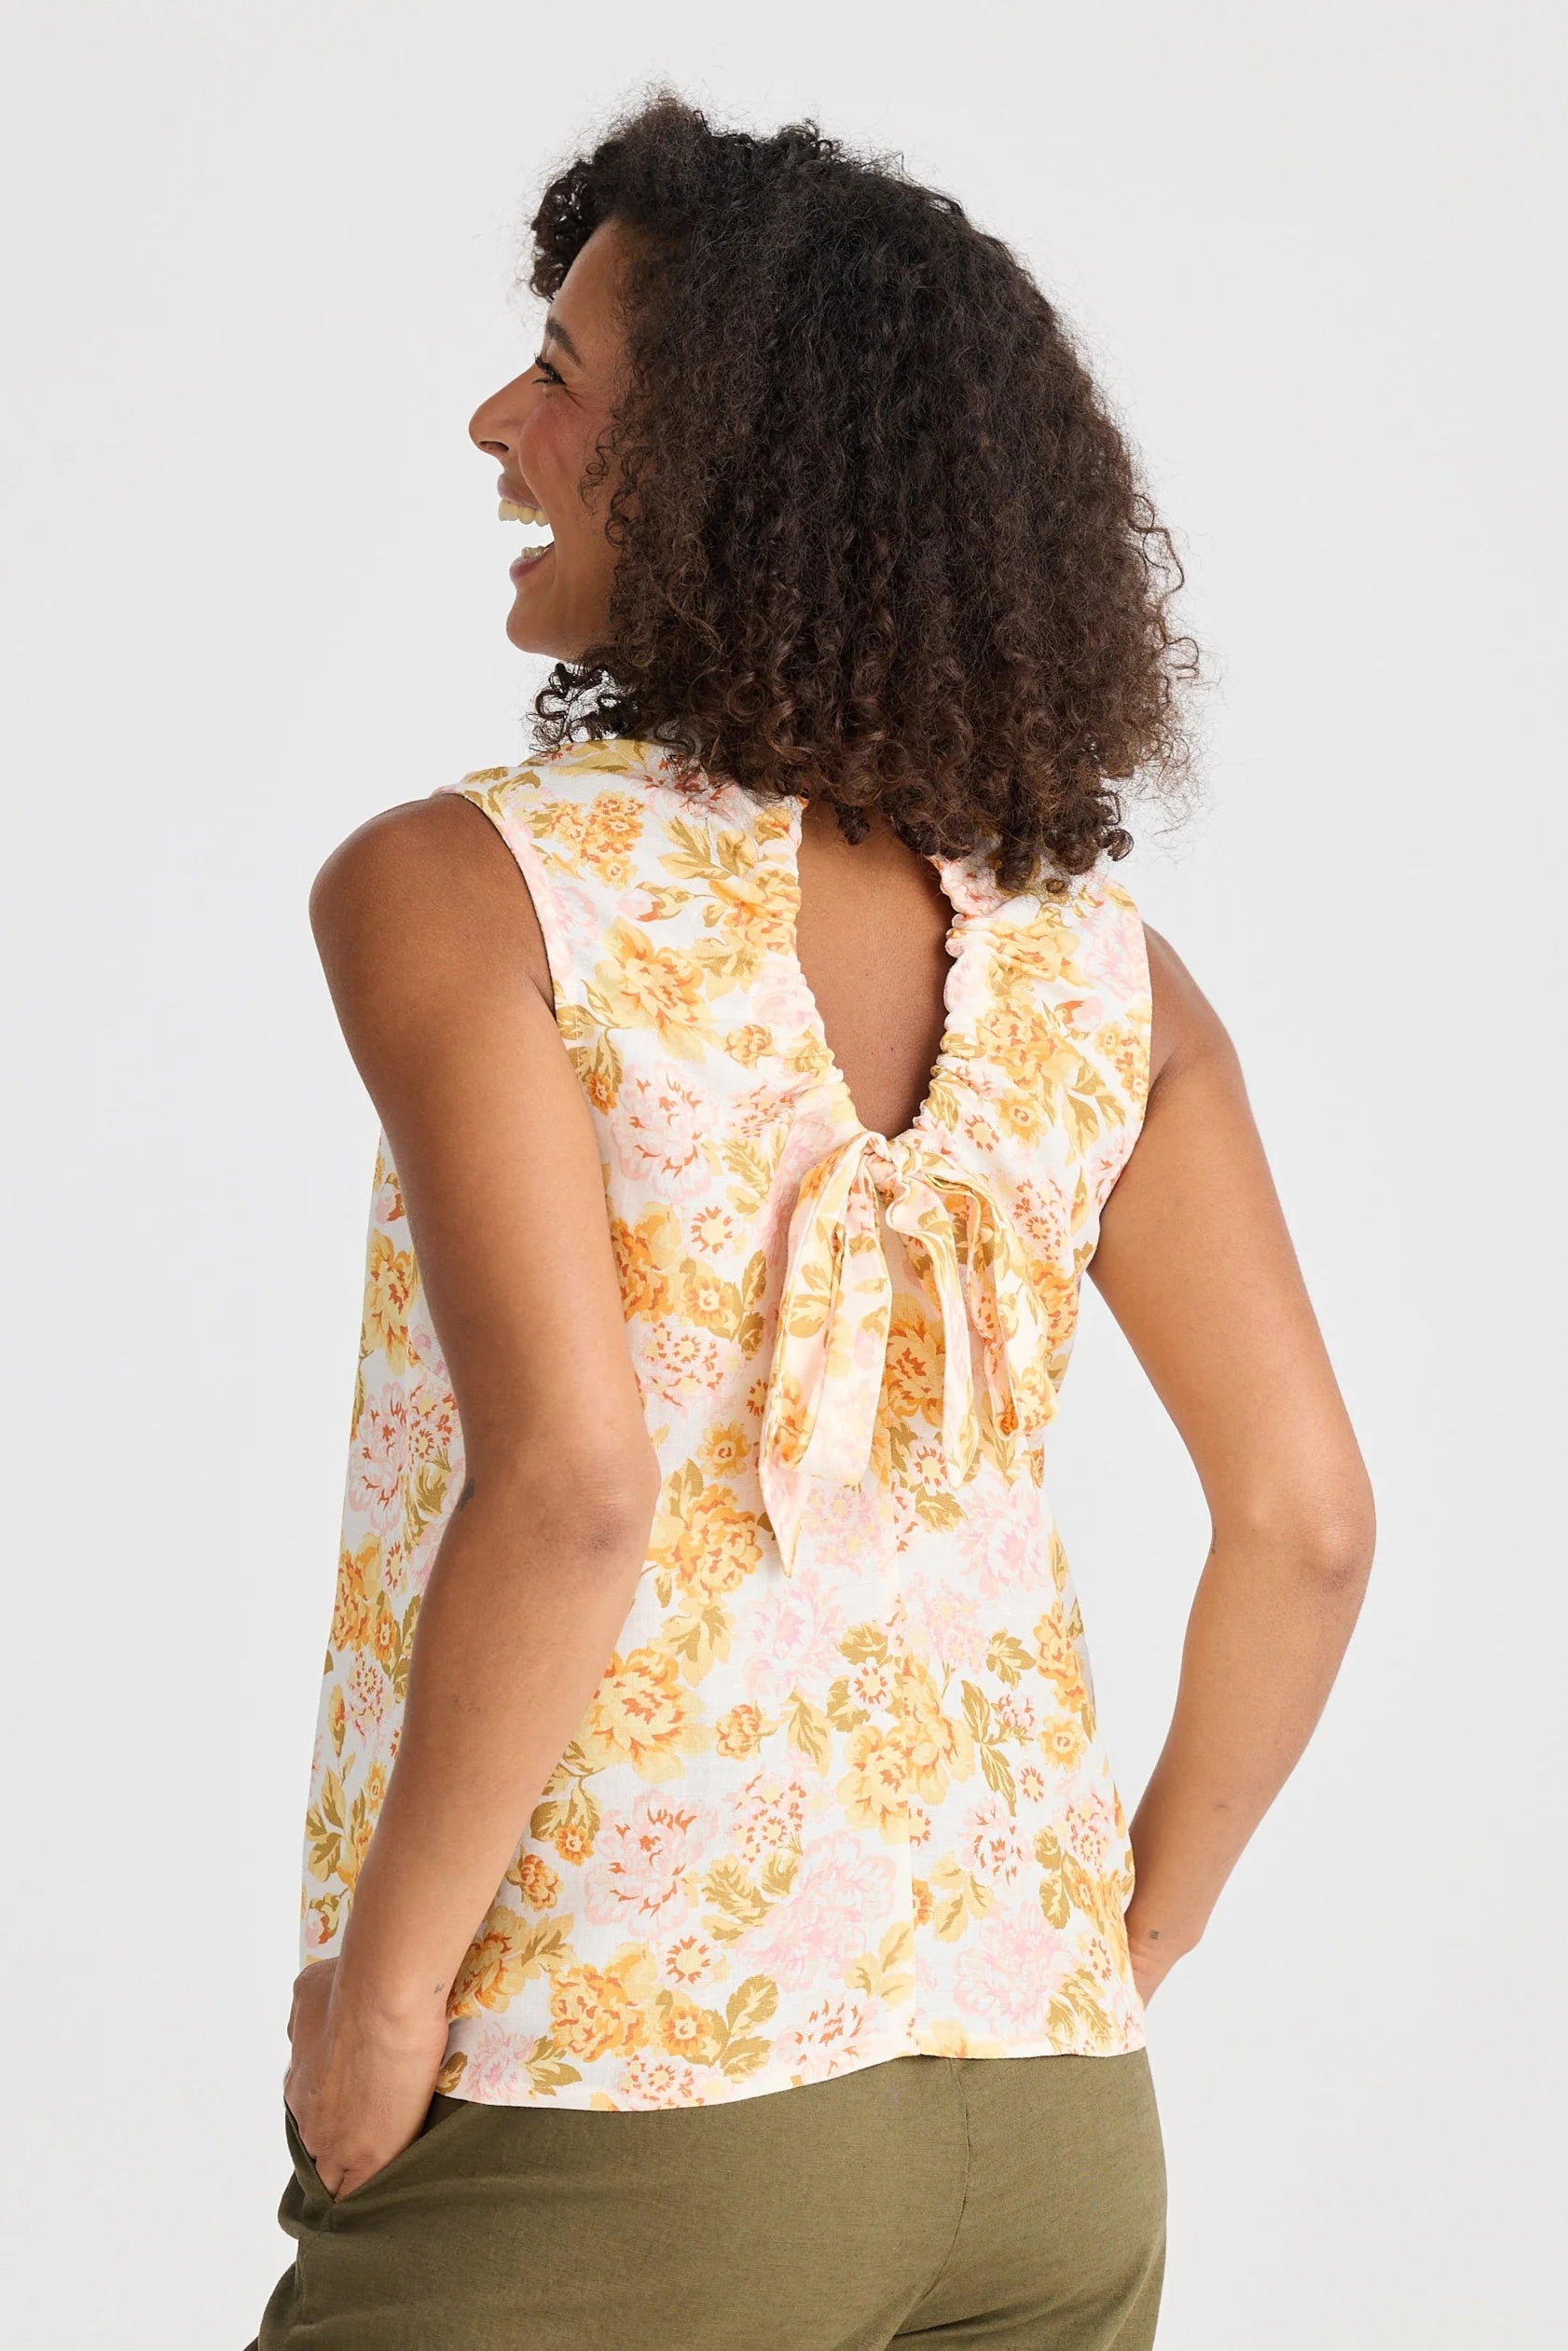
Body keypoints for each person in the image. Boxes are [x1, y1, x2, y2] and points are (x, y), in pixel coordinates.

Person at [247, 90, 1375, 2351]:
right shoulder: (1105, 967)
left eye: (560, 374)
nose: (498, 423)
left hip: (628, 2087)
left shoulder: (470, 887)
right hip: (1055, 2130)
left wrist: (383, 2010)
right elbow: (1308, 1522)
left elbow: (574, 1485)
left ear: (732, 470)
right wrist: (1124, 1948)